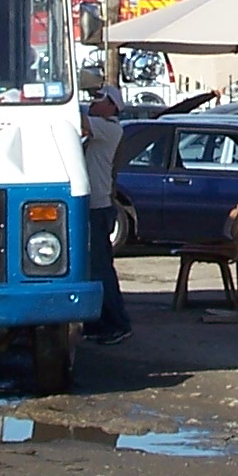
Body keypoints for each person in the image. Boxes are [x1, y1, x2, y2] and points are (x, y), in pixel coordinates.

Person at [81, 88, 132, 345]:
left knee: (100, 268)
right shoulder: (101, 128)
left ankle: (117, 323)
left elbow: (77, 119)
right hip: (94, 205)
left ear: (112, 106)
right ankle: (98, 323)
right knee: (92, 268)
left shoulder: (109, 128)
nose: (92, 103)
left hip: (98, 208)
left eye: (98, 99)